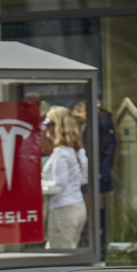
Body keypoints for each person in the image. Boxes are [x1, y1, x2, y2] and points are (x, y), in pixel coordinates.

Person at [41, 105, 89, 250]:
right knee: (68, 250)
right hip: (77, 206)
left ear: (57, 126)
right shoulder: (78, 151)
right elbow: (83, 179)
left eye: (47, 123)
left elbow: (58, 185)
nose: (44, 128)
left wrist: (39, 185)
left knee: (59, 257)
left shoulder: (61, 153)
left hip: (62, 209)